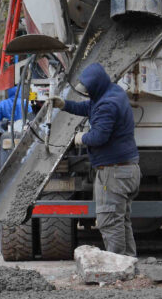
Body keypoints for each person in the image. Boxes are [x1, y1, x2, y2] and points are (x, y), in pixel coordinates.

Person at [51, 63, 141, 256]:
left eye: (89, 90)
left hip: (114, 172)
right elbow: (89, 108)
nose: (87, 94)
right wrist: (65, 105)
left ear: (96, 86)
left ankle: (118, 267)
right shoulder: (111, 92)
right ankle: (128, 263)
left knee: (109, 220)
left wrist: (81, 138)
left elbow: (99, 137)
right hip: (126, 169)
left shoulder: (107, 104)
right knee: (121, 221)